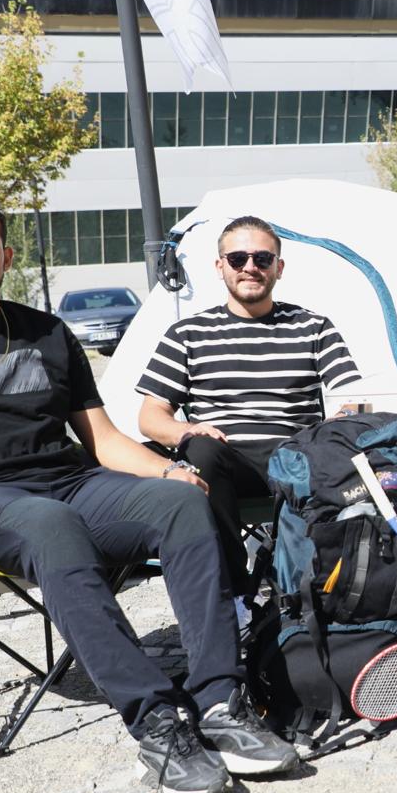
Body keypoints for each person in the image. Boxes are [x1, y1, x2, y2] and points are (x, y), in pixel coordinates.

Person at [0, 189, 297, 793]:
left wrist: (167, 471)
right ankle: (158, 723)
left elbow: (102, 440)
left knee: (183, 502)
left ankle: (220, 703)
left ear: (5, 255)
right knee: (52, 523)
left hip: (70, 485)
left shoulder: (48, 332)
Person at [136, 215, 362, 603]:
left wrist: (339, 424)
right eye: (238, 258)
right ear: (220, 266)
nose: (250, 267)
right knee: (199, 450)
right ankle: (234, 596)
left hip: (295, 461)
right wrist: (187, 431)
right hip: (222, 463)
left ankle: (329, 590)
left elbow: (353, 397)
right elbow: (150, 416)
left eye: (262, 258)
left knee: (352, 445)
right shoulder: (187, 334)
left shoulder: (313, 327)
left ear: (279, 267)